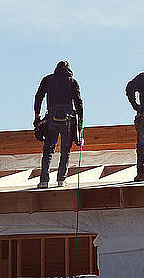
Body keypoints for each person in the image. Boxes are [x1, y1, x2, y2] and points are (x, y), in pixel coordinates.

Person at [34, 60, 83, 189]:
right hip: (68, 117)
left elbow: (38, 96)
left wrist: (37, 115)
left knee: (48, 149)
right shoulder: (72, 82)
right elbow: (78, 102)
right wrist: (80, 122)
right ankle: (61, 180)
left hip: (52, 117)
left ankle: (44, 180)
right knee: (65, 150)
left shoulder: (48, 80)